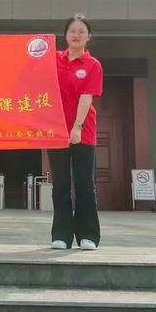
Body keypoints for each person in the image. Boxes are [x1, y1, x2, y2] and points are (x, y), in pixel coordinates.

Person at [48, 14, 104, 251]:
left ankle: (88, 235)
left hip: (83, 131)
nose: (76, 35)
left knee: (83, 183)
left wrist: (77, 126)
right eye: (72, 31)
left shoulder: (93, 65)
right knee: (60, 183)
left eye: (82, 31)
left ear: (88, 36)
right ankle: (61, 234)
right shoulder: (52, 60)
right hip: (55, 131)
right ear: (65, 35)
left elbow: (86, 97)